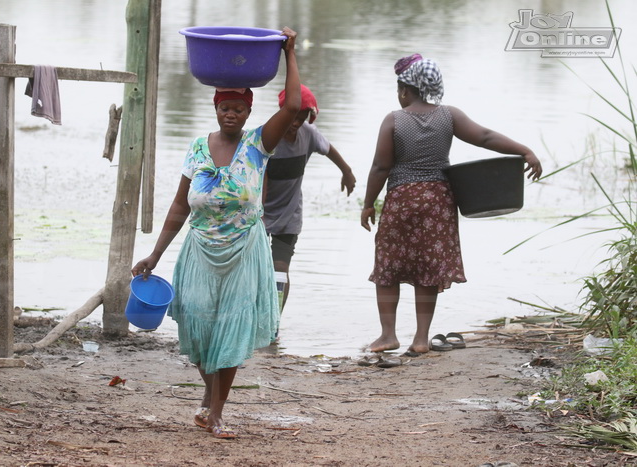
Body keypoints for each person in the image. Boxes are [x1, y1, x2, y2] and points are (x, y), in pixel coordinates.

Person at [131, 27, 302, 439]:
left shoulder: (258, 145)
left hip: (244, 251)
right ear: (216, 109)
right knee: (200, 328)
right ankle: (210, 398)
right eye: (224, 107)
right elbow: (177, 205)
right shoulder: (197, 148)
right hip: (201, 250)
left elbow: (294, 105)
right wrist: (154, 256)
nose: (231, 114)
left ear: (247, 113)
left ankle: (217, 413)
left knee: (232, 328)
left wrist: (289, 54)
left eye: (238, 109)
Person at [360, 54, 542, 356]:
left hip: (402, 200)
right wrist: (525, 151)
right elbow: (485, 137)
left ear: (405, 90)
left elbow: (380, 166)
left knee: (388, 266)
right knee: (429, 268)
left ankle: (388, 335)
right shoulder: (449, 116)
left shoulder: (394, 120)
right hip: (438, 202)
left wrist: (368, 203)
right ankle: (420, 339)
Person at [263, 84, 356, 335]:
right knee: (255, 269)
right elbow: (257, 175)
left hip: (289, 215)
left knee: (280, 270)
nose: (295, 122)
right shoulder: (267, 135)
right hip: (259, 214)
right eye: (292, 115)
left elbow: (330, 150)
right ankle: (250, 319)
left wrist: (347, 172)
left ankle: (273, 324)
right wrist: (256, 213)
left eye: (301, 117)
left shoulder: (309, 134)